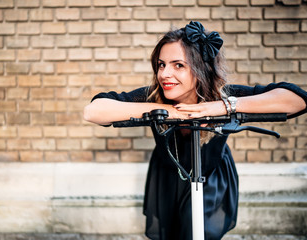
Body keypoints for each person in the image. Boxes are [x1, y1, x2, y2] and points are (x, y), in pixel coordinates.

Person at [83, 21, 307, 240]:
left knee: (198, 232)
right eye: (161, 64)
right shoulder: (153, 95)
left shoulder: (223, 94)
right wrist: (167, 110)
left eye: (178, 65)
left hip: (210, 176)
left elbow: (296, 100)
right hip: (168, 177)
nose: (164, 74)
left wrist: (221, 106)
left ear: (201, 68)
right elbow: (94, 111)